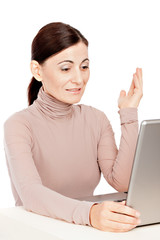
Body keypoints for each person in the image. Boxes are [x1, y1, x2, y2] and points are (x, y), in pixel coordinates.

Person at [3, 22, 143, 232]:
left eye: (84, 66)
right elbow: (31, 194)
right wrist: (90, 213)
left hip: (85, 231)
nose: (79, 79)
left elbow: (121, 183)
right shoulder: (19, 125)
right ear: (37, 71)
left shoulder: (96, 119)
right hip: (34, 231)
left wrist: (129, 115)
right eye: (66, 68)